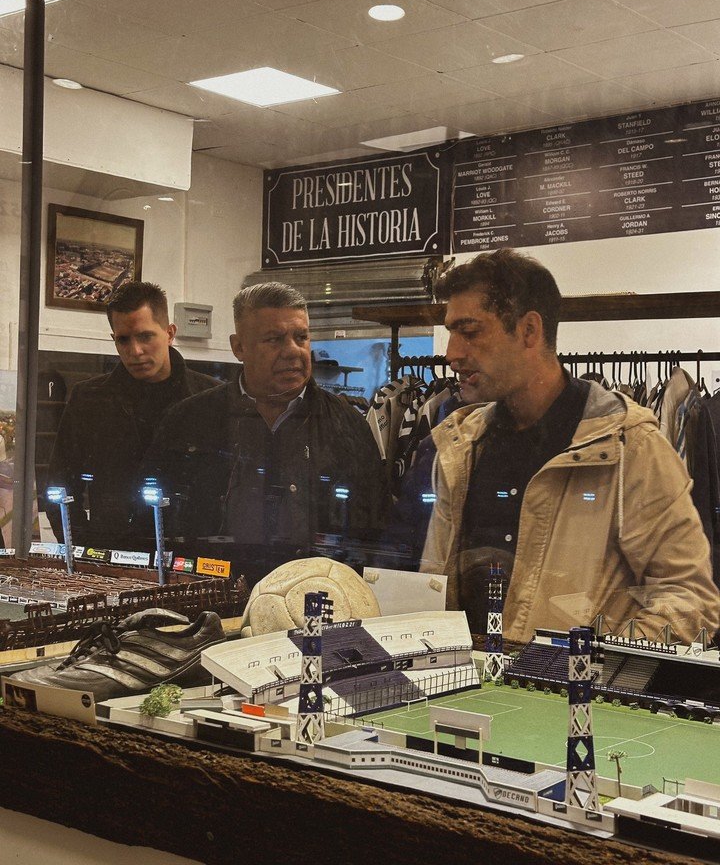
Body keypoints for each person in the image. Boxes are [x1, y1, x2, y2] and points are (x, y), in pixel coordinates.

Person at [420, 249, 720, 644]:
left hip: (566, 702)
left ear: (529, 331)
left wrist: (583, 668)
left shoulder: (631, 446)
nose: (452, 354)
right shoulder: (460, 445)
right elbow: (433, 588)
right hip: (465, 694)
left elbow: (691, 601)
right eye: (450, 333)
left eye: (470, 331)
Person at [143, 282, 389, 585]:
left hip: (316, 597)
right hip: (209, 596)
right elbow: (153, 521)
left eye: (301, 337)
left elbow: (374, 530)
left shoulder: (346, 426)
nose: (292, 351)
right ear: (238, 347)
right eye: (274, 339)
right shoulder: (188, 421)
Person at [46, 282, 218, 549]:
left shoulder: (212, 398)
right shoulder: (89, 399)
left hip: (193, 558)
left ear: (170, 333)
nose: (135, 351)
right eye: (123, 339)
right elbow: (61, 486)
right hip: (111, 556)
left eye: (145, 336)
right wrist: (83, 551)